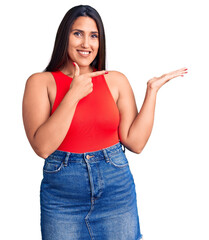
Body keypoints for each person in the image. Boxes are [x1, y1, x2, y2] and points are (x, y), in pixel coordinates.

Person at [22, 4, 188, 240]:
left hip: (116, 189)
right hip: (62, 197)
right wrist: (73, 94)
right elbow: (42, 147)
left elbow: (136, 143)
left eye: (94, 36)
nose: (86, 44)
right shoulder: (41, 82)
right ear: (64, 36)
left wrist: (152, 91)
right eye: (77, 33)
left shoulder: (116, 81)